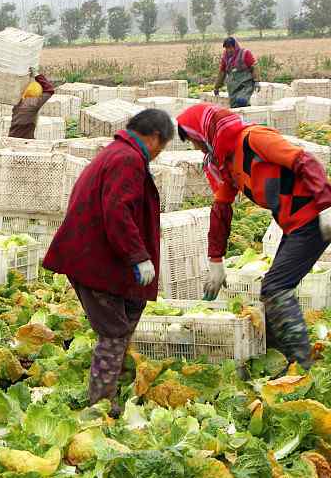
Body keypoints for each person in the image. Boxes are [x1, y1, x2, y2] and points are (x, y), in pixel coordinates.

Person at [177, 103, 331, 370]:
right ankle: (280, 357)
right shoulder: (226, 163)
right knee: (271, 288)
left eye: (193, 140)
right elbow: (221, 210)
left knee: (275, 287)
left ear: (204, 132)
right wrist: (216, 260)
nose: (195, 148)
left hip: (313, 219)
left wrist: (326, 204)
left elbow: (303, 160)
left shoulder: (253, 139)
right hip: (294, 226)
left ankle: (301, 365)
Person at [43, 109, 174, 415]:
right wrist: (138, 256)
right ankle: (101, 404)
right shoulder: (126, 159)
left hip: (100, 257)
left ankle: (117, 381)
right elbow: (117, 212)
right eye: (162, 146)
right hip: (96, 260)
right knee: (114, 331)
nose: (158, 153)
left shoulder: (118, 153)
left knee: (130, 309)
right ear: (154, 137)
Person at [8, 70, 55, 139]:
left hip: (12, 136)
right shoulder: (34, 104)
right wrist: (37, 75)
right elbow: (49, 90)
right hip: (22, 140)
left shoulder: (18, 102)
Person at [214, 37, 260, 108]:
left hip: (245, 85)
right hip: (233, 87)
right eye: (226, 48)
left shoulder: (245, 53)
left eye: (230, 47)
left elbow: (254, 67)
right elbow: (222, 72)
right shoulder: (225, 57)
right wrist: (217, 87)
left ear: (235, 46)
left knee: (242, 101)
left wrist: (257, 81)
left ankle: (247, 116)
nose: (228, 50)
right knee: (234, 107)